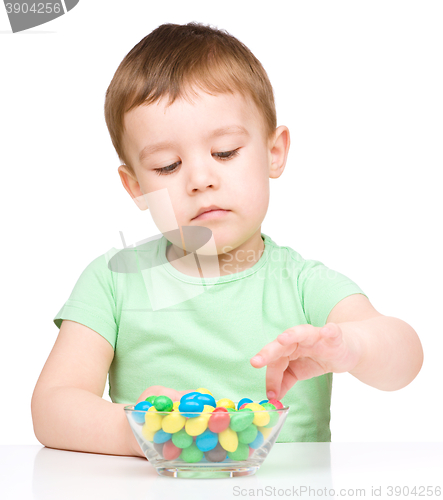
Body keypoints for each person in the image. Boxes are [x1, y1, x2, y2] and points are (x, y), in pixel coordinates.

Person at [31, 22, 423, 458]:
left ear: (274, 152)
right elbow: (52, 406)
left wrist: (351, 347)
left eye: (224, 153)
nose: (201, 179)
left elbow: (405, 359)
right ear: (136, 187)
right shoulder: (113, 281)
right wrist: (141, 432)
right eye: (167, 165)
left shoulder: (301, 283)